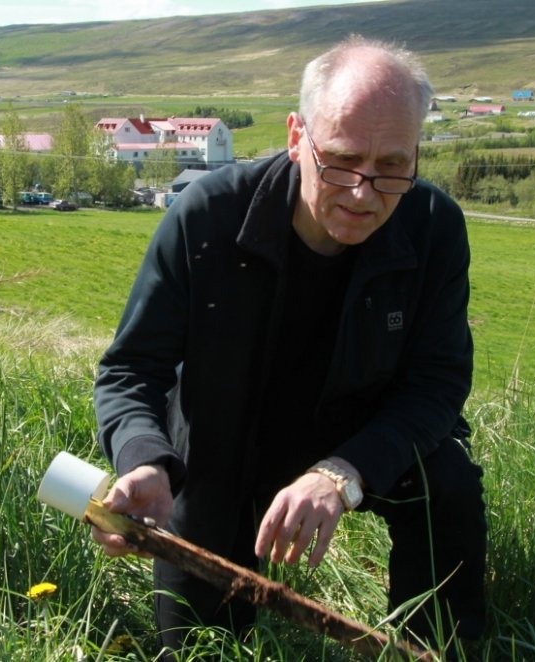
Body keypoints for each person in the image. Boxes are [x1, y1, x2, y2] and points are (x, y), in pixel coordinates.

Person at [92, 34, 487, 656]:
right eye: (342, 159)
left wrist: (343, 474)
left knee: (448, 484)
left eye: (392, 165)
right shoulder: (208, 218)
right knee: (202, 646)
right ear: (296, 135)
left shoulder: (433, 226)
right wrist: (143, 458)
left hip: (362, 429)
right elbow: (131, 368)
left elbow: (437, 382)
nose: (364, 192)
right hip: (223, 440)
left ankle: (438, 644)